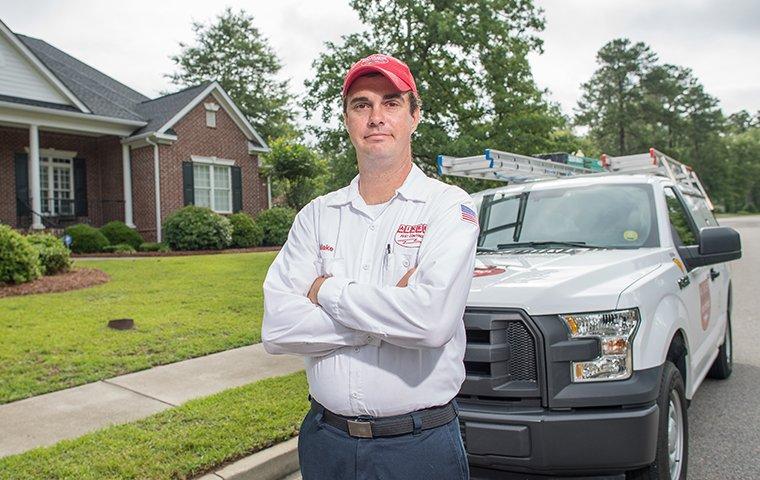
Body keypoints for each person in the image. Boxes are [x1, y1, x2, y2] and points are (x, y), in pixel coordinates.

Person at [261, 53, 478, 479]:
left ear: (415, 116)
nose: (376, 117)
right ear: (347, 121)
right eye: (362, 105)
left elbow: (431, 322)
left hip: (418, 447)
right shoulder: (317, 215)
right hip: (327, 444)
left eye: (391, 103)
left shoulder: (448, 207)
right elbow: (278, 327)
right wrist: (390, 315)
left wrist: (326, 292)